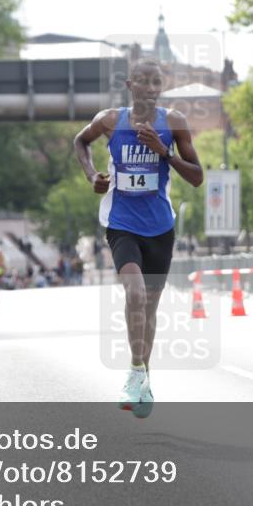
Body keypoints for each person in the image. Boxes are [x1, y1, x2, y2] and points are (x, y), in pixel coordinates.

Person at [73, 59, 203, 415]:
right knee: (134, 292)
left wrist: (165, 154)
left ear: (162, 86)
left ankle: (144, 377)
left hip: (160, 227)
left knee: (150, 308)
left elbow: (197, 177)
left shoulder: (174, 122)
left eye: (156, 82)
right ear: (130, 85)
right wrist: (91, 176)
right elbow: (80, 142)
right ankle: (133, 371)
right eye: (143, 81)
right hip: (121, 222)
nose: (150, 87)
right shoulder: (110, 120)